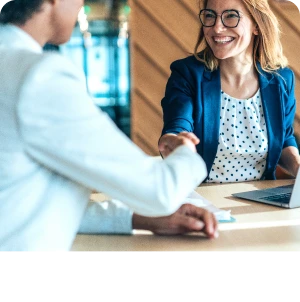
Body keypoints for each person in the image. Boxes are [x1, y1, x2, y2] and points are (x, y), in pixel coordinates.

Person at [0, 0, 218, 253]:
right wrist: (186, 152)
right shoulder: (39, 76)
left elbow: (20, 201)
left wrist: (136, 218)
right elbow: (161, 191)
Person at [159, 0, 300, 184]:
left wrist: (298, 168)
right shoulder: (187, 74)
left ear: (257, 25)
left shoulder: (281, 79)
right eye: (210, 16)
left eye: (231, 16)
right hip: (205, 199)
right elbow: (178, 127)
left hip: (261, 199)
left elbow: (284, 140)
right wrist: (175, 142)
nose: (217, 28)